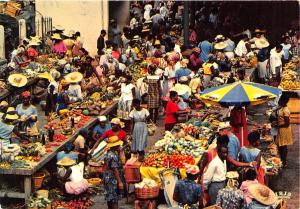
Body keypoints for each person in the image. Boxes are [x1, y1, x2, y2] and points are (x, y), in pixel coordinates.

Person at [103, 136, 126, 209]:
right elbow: (115, 169)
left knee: (109, 197)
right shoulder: (113, 156)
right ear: (116, 146)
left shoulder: (108, 153)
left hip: (107, 177)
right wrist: (120, 182)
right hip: (112, 178)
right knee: (114, 198)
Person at [275, 95, 293, 168]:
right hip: (281, 129)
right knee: (280, 145)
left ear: (283, 101)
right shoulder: (281, 108)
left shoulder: (286, 110)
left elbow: (287, 123)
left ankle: (284, 161)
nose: (279, 101)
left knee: (283, 146)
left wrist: (278, 126)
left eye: (280, 100)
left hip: (284, 130)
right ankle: (281, 160)